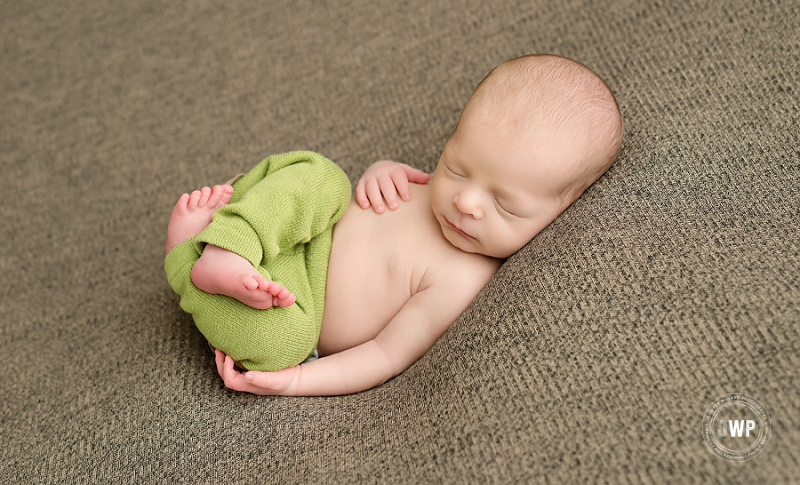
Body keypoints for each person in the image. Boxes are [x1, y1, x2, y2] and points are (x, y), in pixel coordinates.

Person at [165, 54, 623, 396]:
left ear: (557, 213)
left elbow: (385, 354)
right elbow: (360, 203)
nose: (465, 201)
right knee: (323, 175)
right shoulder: (422, 186)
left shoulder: (461, 278)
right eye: (457, 167)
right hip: (301, 239)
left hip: (298, 313)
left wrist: (296, 381)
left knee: (277, 343)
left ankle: (190, 254)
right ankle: (231, 244)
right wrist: (379, 170)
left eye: (505, 204)